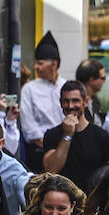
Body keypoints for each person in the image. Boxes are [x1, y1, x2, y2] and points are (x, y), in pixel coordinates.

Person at [43, 81, 109, 193]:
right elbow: (51, 170)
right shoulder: (52, 135)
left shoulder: (101, 136)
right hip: (63, 199)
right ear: (60, 103)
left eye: (75, 101)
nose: (70, 106)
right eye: (66, 101)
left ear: (86, 102)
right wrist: (67, 136)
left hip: (92, 199)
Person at [20, 32, 68, 171]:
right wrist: (49, 145)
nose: (36, 67)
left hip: (67, 148)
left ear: (54, 64)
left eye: (40, 64)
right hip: (38, 151)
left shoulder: (66, 86)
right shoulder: (29, 89)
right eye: (36, 63)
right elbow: (29, 126)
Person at [76, 58, 109, 127]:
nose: (104, 81)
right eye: (102, 78)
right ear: (91, 80)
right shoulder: (77, 105)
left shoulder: (95, 102)